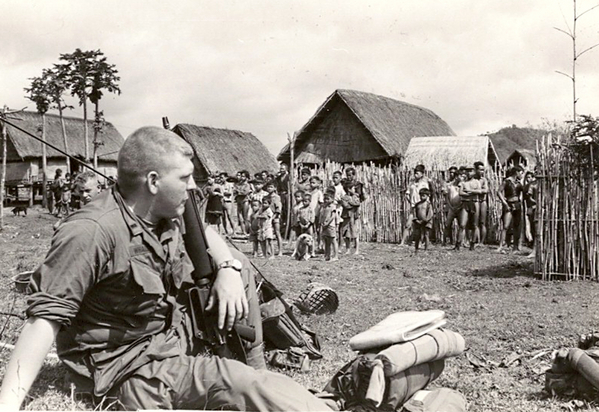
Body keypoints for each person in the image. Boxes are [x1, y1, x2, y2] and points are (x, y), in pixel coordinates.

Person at [0, 126, 333, 411]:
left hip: (168, 333)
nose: (192, 187)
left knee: (240, 267)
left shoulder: (164, 212)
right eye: (185, 178)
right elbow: (44, 320)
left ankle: (256, 366)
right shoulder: (93, 231)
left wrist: (229, 270)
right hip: (130, 364)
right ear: (154, 181)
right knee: (244, 384)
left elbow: (206, 232)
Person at [400, 165, 432, 246]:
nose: (415, 175)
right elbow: (407, 194)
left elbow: (427, 195)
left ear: (422, 174)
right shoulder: (412, 184)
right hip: (414, 207)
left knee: (421, 225)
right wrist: (411, 202)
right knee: (408, 224)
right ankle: (402, 242)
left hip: (422, 208)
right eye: (415, 173)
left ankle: (421, 242)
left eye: (417, 173)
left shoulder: (425, 184)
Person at [497, 166, 524, 253]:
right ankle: (501, 245)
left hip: (517, 204)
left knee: (517, 226)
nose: (521, 175)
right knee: (505, 226)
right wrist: (504, 203)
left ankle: (515, 247)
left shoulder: (519, 183)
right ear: (516, 172)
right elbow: (499, 192)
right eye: (521, 173)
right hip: (509, 204)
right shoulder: (507, 181)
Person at [457, 166, 482, 251]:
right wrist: (470, 193)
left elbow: (479, 191)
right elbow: (460, 192)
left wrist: (468, 191)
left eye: (471, 171)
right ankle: (458, 243)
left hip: (475, 203)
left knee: (475, 224)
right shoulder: (463, 182)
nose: (469, 173)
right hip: (465, 203)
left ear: (474, 172)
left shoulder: (477, 182)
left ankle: (473, 243)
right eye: (467, 171)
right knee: (462, 224)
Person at [343, 167, 366, 254]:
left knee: (354, 229)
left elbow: (359, 197)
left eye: (350, 175)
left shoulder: (357, 185)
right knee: (346, 230)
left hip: (354, 210)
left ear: (354, 175)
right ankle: (348, 249)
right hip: (347, 210)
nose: (349, 177)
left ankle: (357, 249)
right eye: (347, 175)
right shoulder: (345, 184)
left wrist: (351, 192)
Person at [339, 183, 361, 254]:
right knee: (346, 233)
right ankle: (348, 249)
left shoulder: (355, 197)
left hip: (354, 217)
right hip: (346, 217)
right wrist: (352, 203)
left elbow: (357, 204)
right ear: (349, 189)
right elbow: (346, 206)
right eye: (353, 188)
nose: (354, 190)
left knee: (355, 233)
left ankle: (357, 250)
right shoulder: (344, 197)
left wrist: (350, 202)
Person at [319, 189, 340, 262]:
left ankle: (336, 255)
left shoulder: (332, 206)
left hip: (330, 225)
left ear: (332, 199)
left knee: (333, 240)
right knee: (326, 241)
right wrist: (321, 223)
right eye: (325, 199)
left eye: (328, 199)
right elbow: (322, 215)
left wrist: (327, 223)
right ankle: (327, 255)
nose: (326, 200)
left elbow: (333, 216)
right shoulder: (324, 207)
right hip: (324, 225)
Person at [443, 166, 462, 245]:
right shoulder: (447, 183)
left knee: (462, 224)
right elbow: (446, 195)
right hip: (450, 206)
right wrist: (450, 205)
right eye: (451, 172)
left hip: (460, 206)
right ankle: (448, 240)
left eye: (454, 173)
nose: (452, 174)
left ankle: (461, 241)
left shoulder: (461, 183)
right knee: (448, 224)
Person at [264, 181, 283, 257]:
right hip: (267, 217)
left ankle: (280, 251)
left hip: (275, 217)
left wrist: (274, 217)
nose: (269, 188)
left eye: (271, 187)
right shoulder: (266, 197)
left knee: (277, 233)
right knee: (268, 234)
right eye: (268, 187)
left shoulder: (277, 197)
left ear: (275, 188)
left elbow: (279, 208)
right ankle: (268, 250)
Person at [413, 188, 433, 252]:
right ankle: (416, 248)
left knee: (426, 234)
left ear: (427, 196)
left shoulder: (428, 204)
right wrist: (416, 219)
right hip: (418, 221)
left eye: (423, 196)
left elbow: (430, 213)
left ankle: (426, 249)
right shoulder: (417, 204)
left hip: (426, 222)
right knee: (417, 234)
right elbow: (414, 212)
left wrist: (425, 220)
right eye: (420, 195)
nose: (421, 197)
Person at [473, 161, 489, 245]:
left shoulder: (484, 180)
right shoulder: (472, 179)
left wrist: (475, 191)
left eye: (483, 170)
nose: (481, 172)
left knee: (482, 222)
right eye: (480, 170)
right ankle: (475, 241)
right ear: (475, 170)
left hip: (482, 202)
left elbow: (485, 190)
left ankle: (482, 242)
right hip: (475, 201)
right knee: (475, 223)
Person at [523, 170, 538, 258]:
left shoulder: (548, 183)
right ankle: (534, 250)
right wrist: (537, 202)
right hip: (535, 207)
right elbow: (529, 197)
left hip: (546, 208)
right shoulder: (532, 184)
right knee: (535, 229)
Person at [234, 170, 253, 235]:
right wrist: (238, 191)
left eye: (243, 176)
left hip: (245, 201)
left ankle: (247, 231)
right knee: (240, 217)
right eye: (241, 176)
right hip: (239, 200)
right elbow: (235, 191)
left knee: (245, 217)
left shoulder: (247, 185)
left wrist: (238, 191)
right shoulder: (238, 184)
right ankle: (243, 231)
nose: (242, 177)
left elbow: (245, 192)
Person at [274, 163, 290, 234]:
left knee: (287, 210)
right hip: (280, 194)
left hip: (287, 194)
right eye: (280, 169)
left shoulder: (289, 177)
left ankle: (287, 227)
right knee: (281, 210)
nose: (281, 170)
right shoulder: (278, 178)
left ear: (286, 169)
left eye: (283, 169)